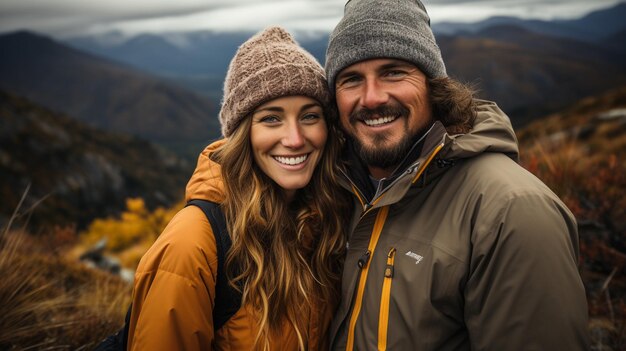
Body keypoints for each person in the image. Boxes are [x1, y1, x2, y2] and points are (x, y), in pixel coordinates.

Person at [323, 0, 589, 350]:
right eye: (351, 79)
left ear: (434, 86)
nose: (371, 98)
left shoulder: (511, 213)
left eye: (394, 72)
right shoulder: (335, 192)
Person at [126, 26, 351, 350]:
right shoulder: (193, 244)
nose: (295, 139)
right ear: (242, 133)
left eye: (310, 116)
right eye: (271, 119)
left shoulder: (326, 221)